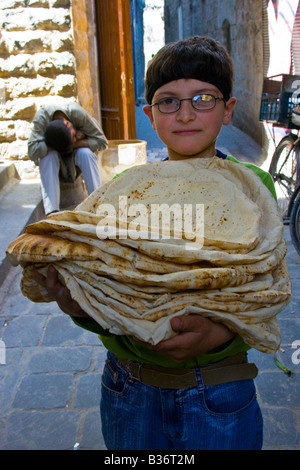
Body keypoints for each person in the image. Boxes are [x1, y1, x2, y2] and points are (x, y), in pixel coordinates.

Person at [34, 36, 279, 450]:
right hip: (129, 389)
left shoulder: (253, 191)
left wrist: (217, 332)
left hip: (220, 391)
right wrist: (79, 303)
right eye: (168, 101)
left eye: (203, 97)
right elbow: (110, 283)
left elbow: (266, 288)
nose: (185, 113)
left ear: (228, 110)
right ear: (150, 113)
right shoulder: (124, 195)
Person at [28, 101, 108, 216]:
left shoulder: (77, 113)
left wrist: (74, 144)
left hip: (75, 157)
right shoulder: (42, 118)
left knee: (85, 153)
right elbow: (32, 152)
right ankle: (52, 213)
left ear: (67, 123)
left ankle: (98, 204)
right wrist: (54, 146)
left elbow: (102, 142)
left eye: (74, 136)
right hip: (56, 157)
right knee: (48, 157)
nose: (75, 139)